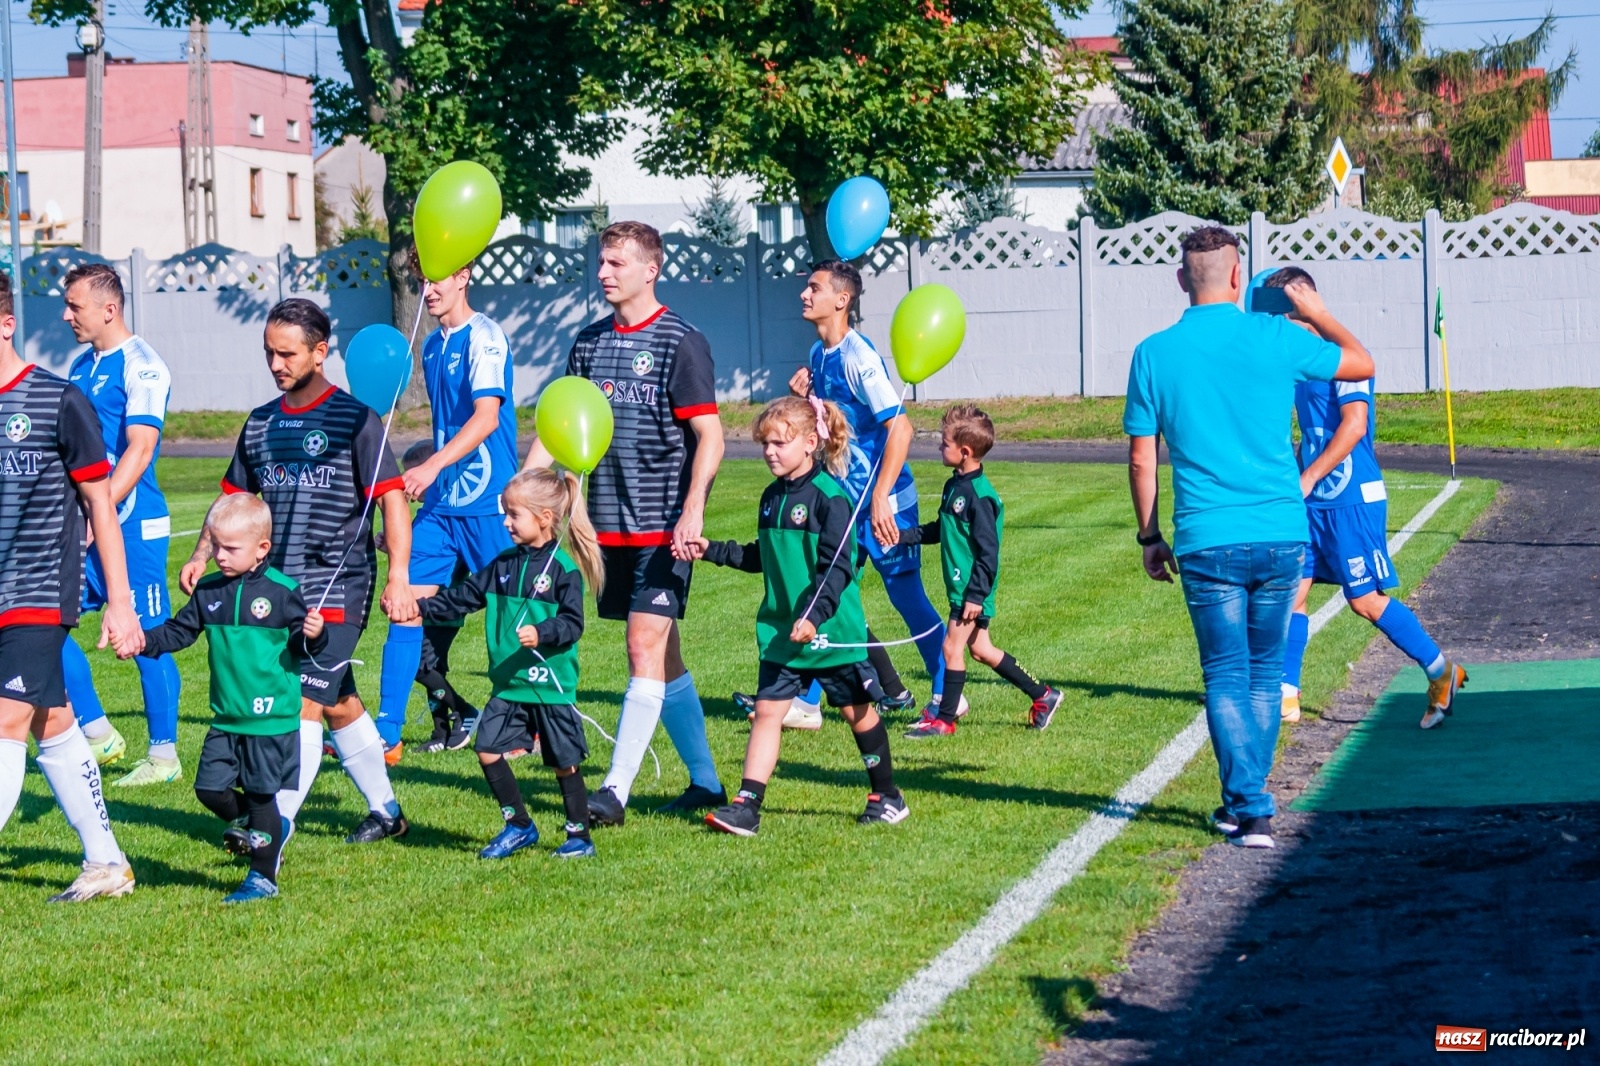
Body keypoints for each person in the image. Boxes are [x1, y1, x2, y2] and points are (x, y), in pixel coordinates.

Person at [1125, 226, 1374, 850]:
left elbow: (1141, 460)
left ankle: (1249, 806)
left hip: (1207, 538)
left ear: (1183, 280)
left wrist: (1150, 536)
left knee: (1226, 674)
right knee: (1263, 674)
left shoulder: (1152, 353)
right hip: (1282, 533)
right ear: (1239, 277)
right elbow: (1362, 363)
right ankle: (1250, 805)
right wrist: (1315, 311)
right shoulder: (1277, 335)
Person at [181, 298, 416, 845]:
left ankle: (273, 830)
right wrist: (200, 553)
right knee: (337, 701)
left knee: (303, 702)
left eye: (286, 353)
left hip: (337, 587)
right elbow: (231, 501)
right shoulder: (260, 423)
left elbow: (393, 501)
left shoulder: (358, 419)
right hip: (277, 595)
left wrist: (399, 576)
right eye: (268, 352)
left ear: (320, 351)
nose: (275, 363)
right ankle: (387, 811)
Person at [521, 220, 725, 827]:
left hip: (663, 529)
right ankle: (708, 782)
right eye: (601, 262)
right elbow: (561, 426)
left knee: (642, 645)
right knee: (665, 659)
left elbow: (709, 436)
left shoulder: (681, 342)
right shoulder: (587, 343)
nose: (603, 272)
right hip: (603, 531)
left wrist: (693, 508)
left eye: (615, 263)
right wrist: (525, 488)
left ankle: (613, 791)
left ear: (649, 269)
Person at [1251, 268, 1468, 731]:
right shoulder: (1299, 360)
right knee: (1294, 590)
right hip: (1310, 500)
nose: (1271, 324)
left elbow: (1352, 427)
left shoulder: (1344, 353)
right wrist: (1294, 471)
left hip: (1351, 500)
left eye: (1275, 313)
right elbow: (1308, 433)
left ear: (1300, 303)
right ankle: (1286, 695)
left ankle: (1441, 672)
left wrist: (1307, 476)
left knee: (1365, 600)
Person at [682, 396, 909, 835]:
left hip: (828, 631)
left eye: (778, 443)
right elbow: (762, 556)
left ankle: (887, 795)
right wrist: (711, 550)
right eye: (764, 443)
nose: (769, 451)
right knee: (767, 712)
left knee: (857, 712)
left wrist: (813, 616)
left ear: (809, 443)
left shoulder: (830, 500)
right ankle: (747, 804)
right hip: (783, 631)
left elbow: (836, 569)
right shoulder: (771, 498)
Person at [0, 270, 145, 902]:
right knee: (52, 721)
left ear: (6, 323)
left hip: (35, 592)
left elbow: (100, 507)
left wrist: (118, 601)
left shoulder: (58, 401)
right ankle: (107, 862)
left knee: (6, 717)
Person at [128, 494, 327, 903]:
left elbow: (307, 653)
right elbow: (180, 632)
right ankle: (268, 829)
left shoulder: (283, 593)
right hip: (226, 716)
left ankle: (262, 875)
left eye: (230, 548)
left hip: (270, 719)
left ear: (261, 549)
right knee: (209, 790)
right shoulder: (209, 590)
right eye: (216, 545)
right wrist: (142, 641)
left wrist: (315, 635)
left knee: (260, 795)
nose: (219, 555)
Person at [781, 260, 950, 727]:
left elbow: (901, 428)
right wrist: (803, 398)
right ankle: (811, 701)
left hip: (884, 498)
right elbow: (836, 428)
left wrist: (879, 498)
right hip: (845, 501)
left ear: (842, 299)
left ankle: (947, 693)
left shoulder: (859, 356)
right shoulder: (819, 355)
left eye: (813, 288)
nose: (804, 295)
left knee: (905, 596)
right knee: (830, 591)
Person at [374, 255, 518, 758]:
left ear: (464, 277)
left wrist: (432, 465)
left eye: (436, 278)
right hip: (441, 510)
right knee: (404, 603)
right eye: (421, 280)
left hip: (490, 505)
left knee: (510, 620)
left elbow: (485, 419)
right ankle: (386, 733)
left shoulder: (486, 337)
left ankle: (526, 729)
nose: (427, 289)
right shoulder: (433, 345)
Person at [417, 469, 602, 860]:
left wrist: (543, 632)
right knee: (485, 748)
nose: (505, 522)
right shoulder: (502, 564)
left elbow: (573, 624)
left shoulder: (562, 570)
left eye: (513, 515)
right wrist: (415, 608)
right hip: (508, 684)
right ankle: (518, 824)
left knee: (563, 763)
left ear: (544, 518)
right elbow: (461, 598)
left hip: (548, 684)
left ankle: (579, 835)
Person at [56, 263, 182, 783]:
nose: (66, 316)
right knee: (46, 621)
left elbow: (141, 447)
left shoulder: (144, 366)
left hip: (133, 527)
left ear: (109, 309)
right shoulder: (80, 368)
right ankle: (98, 734)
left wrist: (100, 508)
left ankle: (164, 758)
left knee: (146, 638)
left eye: (75, 307)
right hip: (86, 522)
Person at [896, 405, 1063, 737]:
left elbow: (989, 554)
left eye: (945, 443)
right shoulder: (954, 487)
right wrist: (903, 537)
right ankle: (1044, 695)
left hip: (971, 590)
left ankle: (944, 719)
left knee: (951, 649)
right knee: (981, 650)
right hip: (966, 590)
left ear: (965, 452)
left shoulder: (978, 497)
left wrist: (975, 595)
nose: (939, 448)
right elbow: (944, 530)